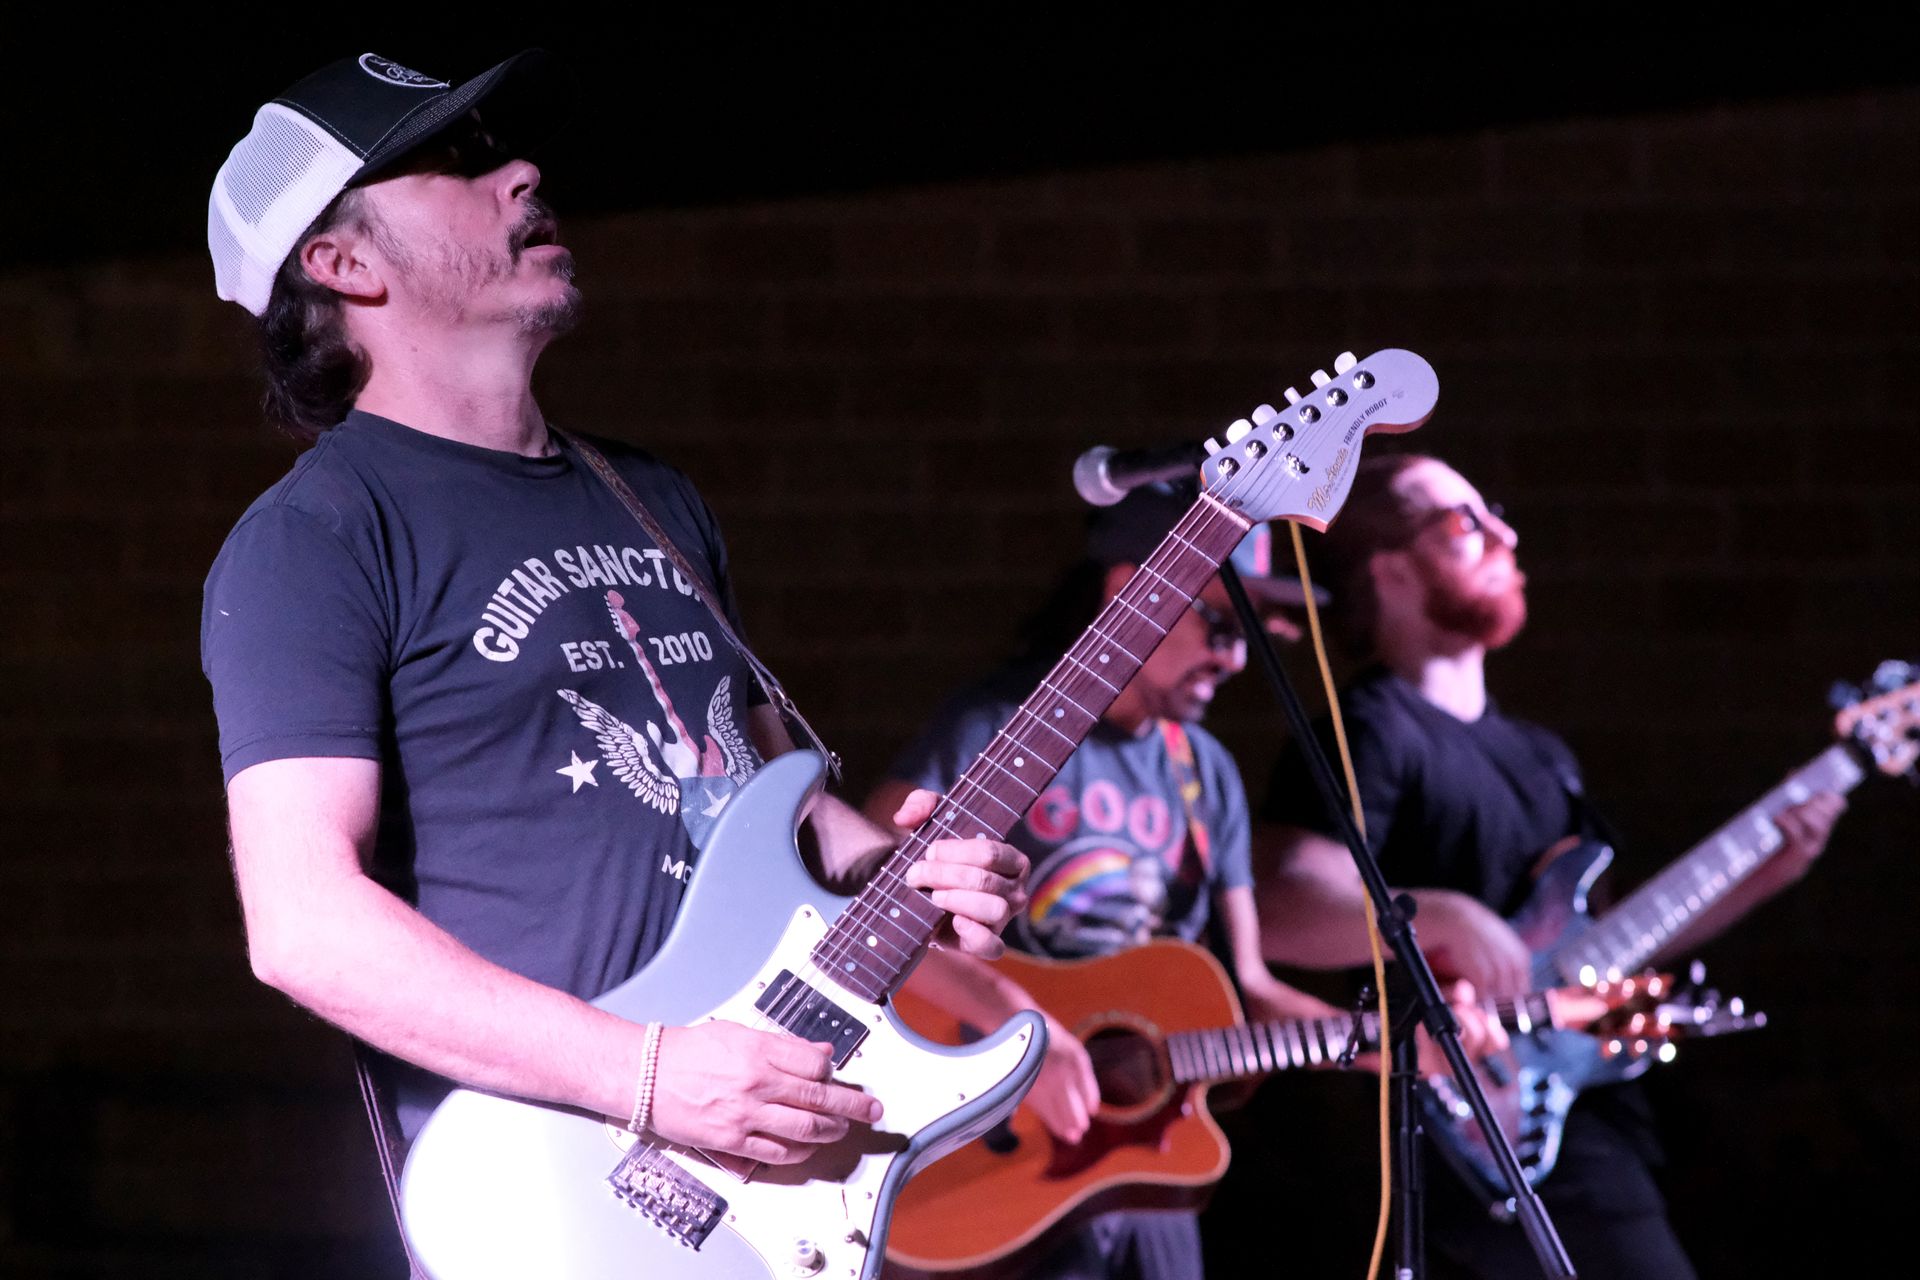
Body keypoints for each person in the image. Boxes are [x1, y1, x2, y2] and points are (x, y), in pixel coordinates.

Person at [198, 47, 1030, 1193]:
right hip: (562, 1184)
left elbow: (776, 804)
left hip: (766, 1164)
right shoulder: (318, 538)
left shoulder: (655, 495)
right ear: (341, 262)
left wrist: (909, 872)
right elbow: (304, 924)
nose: (523, 172)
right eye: (451, 162)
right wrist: (650, 1076)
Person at [1255, 452, 1846, 1280]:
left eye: (1492, 512)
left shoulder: (1541, 755)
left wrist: (1764, 872)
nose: (1505, 533)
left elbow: (1599, 949)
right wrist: (1439, 913)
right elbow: (1281, 901)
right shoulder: (1371, 729)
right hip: (1448, 1127)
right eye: (1464, 522)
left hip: (1582, 1111)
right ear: (1388, 569)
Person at [867, 484, 1375, 1280]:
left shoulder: (1204, 772)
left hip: (1144, 1159)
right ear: (1130, 595)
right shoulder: (1005, 727)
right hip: (997, 1130)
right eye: (1219, 623)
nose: (1235, 658)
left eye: (1251, 634)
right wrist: (1026, 1038)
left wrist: (1381, 1043)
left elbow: (1248, 986)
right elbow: (870, 895)